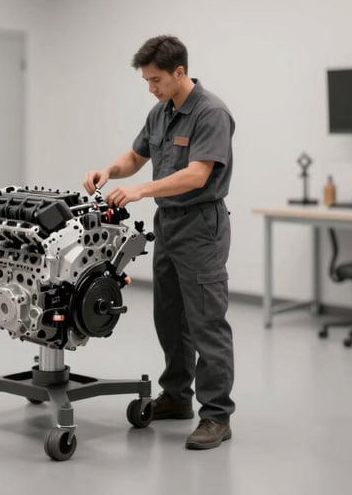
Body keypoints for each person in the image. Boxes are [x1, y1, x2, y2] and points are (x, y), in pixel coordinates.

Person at [83, 34, 235, 451]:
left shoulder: (211, 113)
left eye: (155, 80)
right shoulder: (160, 112)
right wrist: (110, 172)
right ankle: (177, 397)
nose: (151, 87)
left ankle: (217, 416)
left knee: (206, 321)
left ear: (179, 72)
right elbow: (135, 157)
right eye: (147, 81)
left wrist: (139, 191)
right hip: (168, 224)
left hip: (201, 226)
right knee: (169, 316)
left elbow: (197, 174)